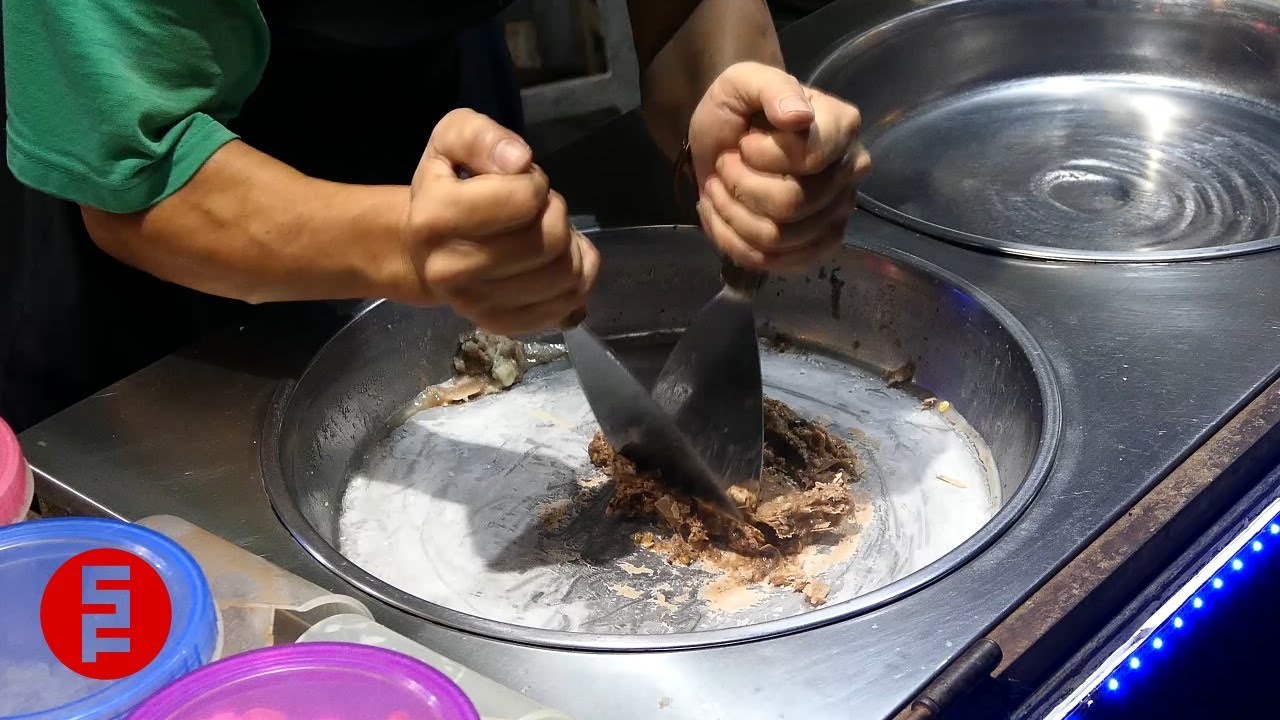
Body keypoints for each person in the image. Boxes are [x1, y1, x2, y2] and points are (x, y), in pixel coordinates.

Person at [0, 0, 870, 431]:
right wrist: (409, 244)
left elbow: (685, 18)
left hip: (435, 98)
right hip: (173, 263)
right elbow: (140, 175)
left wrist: (747, 142)